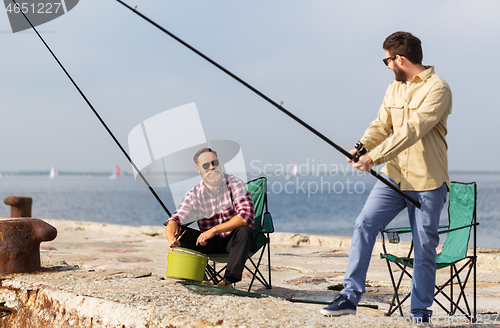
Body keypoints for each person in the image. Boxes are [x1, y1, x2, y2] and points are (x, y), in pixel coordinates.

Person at [321, 31, 452, 323]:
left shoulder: (438, 89)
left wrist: (374, 158)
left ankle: (420, 311)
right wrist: (361, 147)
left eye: (387, 61)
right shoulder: (394, 88)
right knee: (364, 223)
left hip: (427, 182)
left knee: (424, 247)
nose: (387, 66)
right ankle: (349, 296)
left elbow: (412, 130)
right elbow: (382, 124)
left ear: (400, 59)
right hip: (394, 178)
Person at [165, 148, 255, 286]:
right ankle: (201, 278)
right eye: (206, 165)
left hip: (235, 242)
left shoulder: (234, 184)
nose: (212, 167)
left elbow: (245, 216)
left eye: (215, 162)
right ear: (198, 169)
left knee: (245, 230)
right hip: (209, 244)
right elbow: (174, 220)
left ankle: (228, 280)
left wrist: (213, 230)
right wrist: (171, 239)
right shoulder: (194, 194)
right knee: (180, 233)